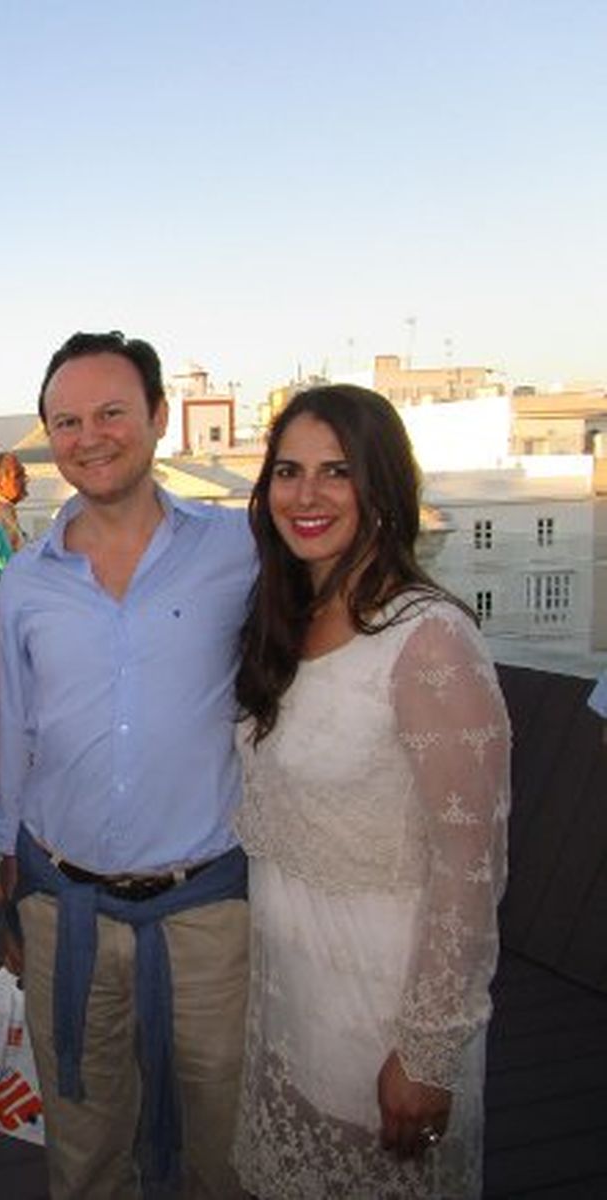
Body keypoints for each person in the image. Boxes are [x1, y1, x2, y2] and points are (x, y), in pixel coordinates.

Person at [0, 330, 255, 1198]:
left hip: (208, 912)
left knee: (223, 1143)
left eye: (111, 412)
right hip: (65, 908)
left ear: (158, 417)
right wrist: (6, 875)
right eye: (65, 421)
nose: (89, 436)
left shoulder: (240, 549)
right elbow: (11, 729)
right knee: (82, 1141)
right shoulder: (25, 582)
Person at [232, 384, 510, 1198]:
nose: (306, 495)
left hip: (376, 1013)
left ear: (382, 487)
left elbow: (471, 868)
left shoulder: (430, 641)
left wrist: (426, 1052)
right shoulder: (288, 616)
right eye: (288, 471)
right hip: (287, 1004)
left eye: (336, 472)